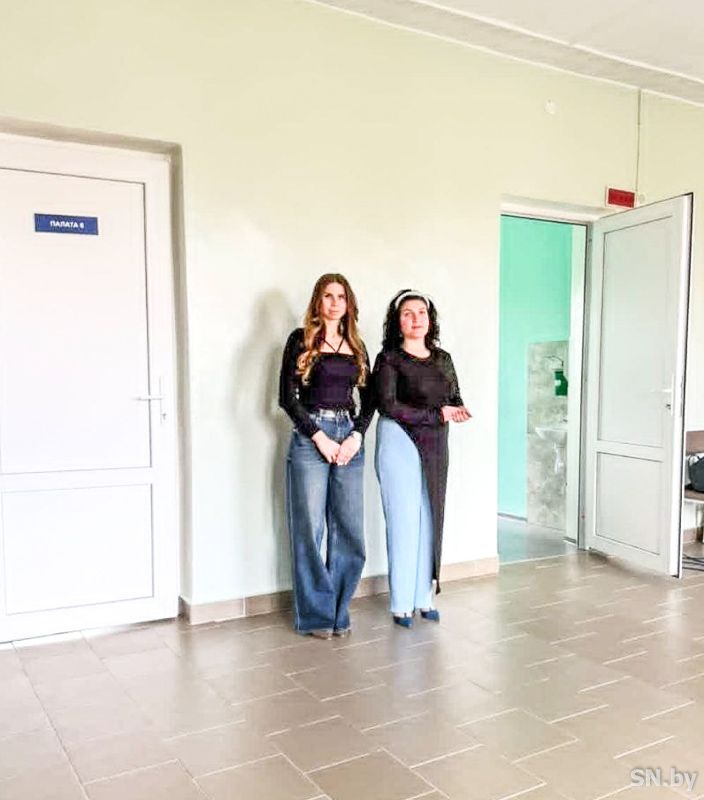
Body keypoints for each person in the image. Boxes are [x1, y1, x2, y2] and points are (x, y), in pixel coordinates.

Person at [279, 274, 374, 639]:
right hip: (311, 436)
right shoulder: (300, 340)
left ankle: (338, 611)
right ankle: (316, 616)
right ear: (317, 301)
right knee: (310, 528)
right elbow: (286, 398)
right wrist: (319, 438)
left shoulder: (357, 346)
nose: (335, 303)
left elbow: (370, 401)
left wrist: (356, 436)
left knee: (349, 529)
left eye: (341, 296)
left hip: (348, 435)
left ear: (349, 304)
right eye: (328, 296)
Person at [373, 289, 470, 628]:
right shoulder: (389, 359)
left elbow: (454, 396)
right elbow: (388, 405)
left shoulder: (443, 359)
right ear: (397, 322)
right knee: (403, 519)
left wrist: (457, 410)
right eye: (407, 313)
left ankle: (424, 597)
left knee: (431, 516)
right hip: (398, 438)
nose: (416, 319)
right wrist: (436, 414)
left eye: (422, 313)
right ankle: (401, 603)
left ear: (431, 320)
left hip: (436, 441)